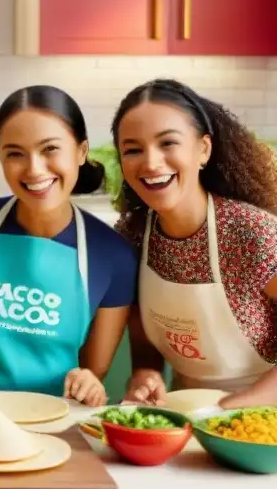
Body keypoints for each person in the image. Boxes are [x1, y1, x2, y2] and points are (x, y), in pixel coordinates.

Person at [0, 86, 138, 406]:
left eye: (50, 149)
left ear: (81, 151)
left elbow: (91, 371)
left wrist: (89, 383)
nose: (34, 169)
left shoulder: (114, 256)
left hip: (57, 419)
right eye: (15, 153)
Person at [112, 79, 277, 409]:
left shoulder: (251, 233)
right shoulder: (133, 235)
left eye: (167, 143)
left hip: (263, 420)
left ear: (203, 149)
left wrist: (226, 410)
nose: (151, 163)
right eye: (133, 150)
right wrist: (145, 376)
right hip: (185, 414)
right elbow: (143, 339)